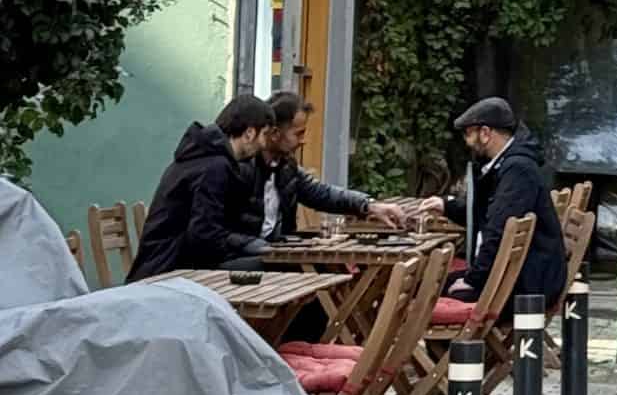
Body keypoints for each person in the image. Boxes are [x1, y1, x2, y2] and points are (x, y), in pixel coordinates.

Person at [127, 95, 275, 279]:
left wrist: (244, 244)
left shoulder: (203, 157)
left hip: (168, 266)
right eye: (265, 135)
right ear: (249, 133)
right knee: (274, 268)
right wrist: (244, 245)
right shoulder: (214, 167)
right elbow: (204, 237)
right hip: (169, 272)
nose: (264, 144)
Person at [441, 97, 568, 303]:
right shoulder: (509, 164)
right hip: (523, 274)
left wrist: (473, 280)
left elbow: (497, 229)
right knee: (434, 284)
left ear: (485, 133)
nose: (467, 142)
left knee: (425, 294)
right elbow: (486, 213)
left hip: (529, 284)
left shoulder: (517, 169)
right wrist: (447, 206)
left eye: (468, 134)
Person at [255, 92, 408, 240]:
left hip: (277, 250)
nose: (303, 141)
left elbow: (322, 194)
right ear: (275, 133)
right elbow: (234, 236)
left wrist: (369, 205)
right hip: (246, 257)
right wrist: (267, 251)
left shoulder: (287, 167)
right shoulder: (244, 169)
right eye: (298, 134)